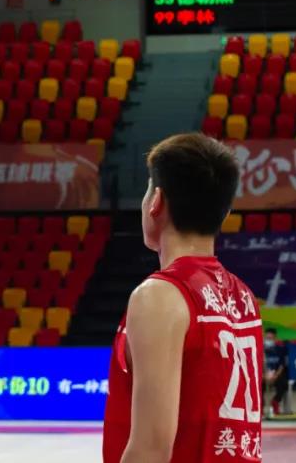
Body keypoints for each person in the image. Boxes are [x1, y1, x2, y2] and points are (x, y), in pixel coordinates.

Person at [103, 134, 263, 463]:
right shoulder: (244, 297)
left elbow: (152, 448)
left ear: (156, 202)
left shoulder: (160, 295)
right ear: (225, 212)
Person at [263, 328, 289, 418]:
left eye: (271, 338)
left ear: (275, 338)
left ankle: (275, 402)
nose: (268, 340)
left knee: (283, 383)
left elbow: (282, 365)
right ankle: (260, 404)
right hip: (263, 375)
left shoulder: (280, 349)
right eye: (267, 338)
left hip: (276, 374)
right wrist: (264, 375)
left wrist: (275, 375)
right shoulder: (260, 349)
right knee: (256, 384)